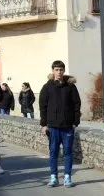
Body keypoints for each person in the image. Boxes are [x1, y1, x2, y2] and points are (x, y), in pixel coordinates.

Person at [40, 60, 81, 188]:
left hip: (67, 126)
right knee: (53, 152)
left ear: (64, 71)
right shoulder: (47, 87)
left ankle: (67, 177)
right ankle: (54, 177)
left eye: (61, 70)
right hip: (52, 126)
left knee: (68, 152)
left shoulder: (70, 87)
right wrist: (44, 124)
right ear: (53, 71)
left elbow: (77, 104)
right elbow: (43, 106)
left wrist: (75, 122)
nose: (59, 72)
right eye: (56, 70)